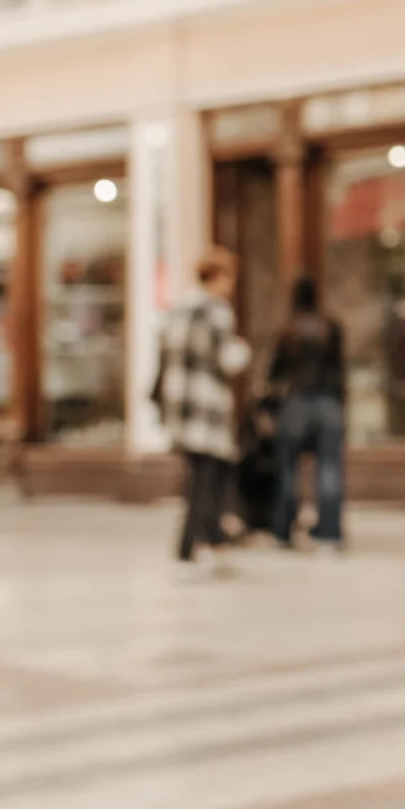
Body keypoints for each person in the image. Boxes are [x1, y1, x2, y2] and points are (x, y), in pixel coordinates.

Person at [156, 247, 252, 581]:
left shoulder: (180, 308)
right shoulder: (215, 312)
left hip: (181, 405)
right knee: (207, 481)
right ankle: (197, 548)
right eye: (229, 277)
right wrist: (243, 349)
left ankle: (201, 545)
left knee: (197, 480)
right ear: (217, 277)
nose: (231, 285)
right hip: (206, 406)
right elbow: (228, 359)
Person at [267, 274, 348, 551]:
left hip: (296, 404)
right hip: (327, 403)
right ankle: (329, 535)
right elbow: (340, 370)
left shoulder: (289, 330)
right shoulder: (330, 327)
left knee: (289, 472)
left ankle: (283, 531)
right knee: (329, 471)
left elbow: (275, 374)